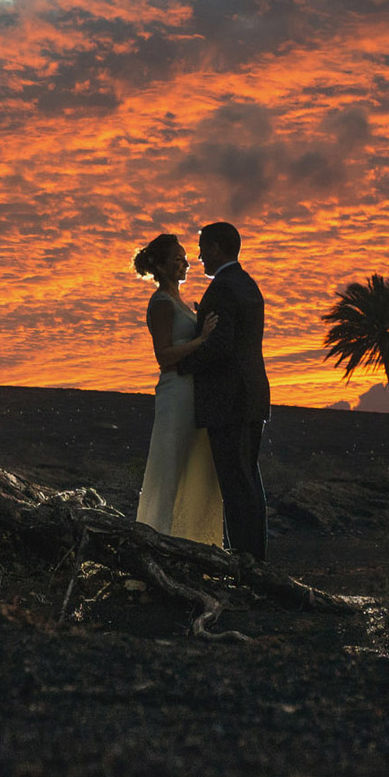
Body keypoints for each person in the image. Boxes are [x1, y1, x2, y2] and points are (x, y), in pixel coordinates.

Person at [174, 219, 271, 561]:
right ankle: (256, 560)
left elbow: (220, 346)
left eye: (203, 249)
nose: (199, 256)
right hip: (253, 396)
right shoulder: (248, 285)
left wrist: (181, 366)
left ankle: (248, 565)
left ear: (217, 247)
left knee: (236, 486)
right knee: (249, 483)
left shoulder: (222, 289)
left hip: (228, 401)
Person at [130, 233, 226, 545]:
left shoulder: (180, 301)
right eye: (177, 258)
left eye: (185, 257)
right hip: (175, 394)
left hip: (193, 394)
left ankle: (190, 541)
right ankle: (157, 542)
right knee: (169, 467)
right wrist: (201, 339)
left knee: (193, 468)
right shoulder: (160, 303)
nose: (185, 263)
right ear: (159, 265)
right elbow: (163, 356)